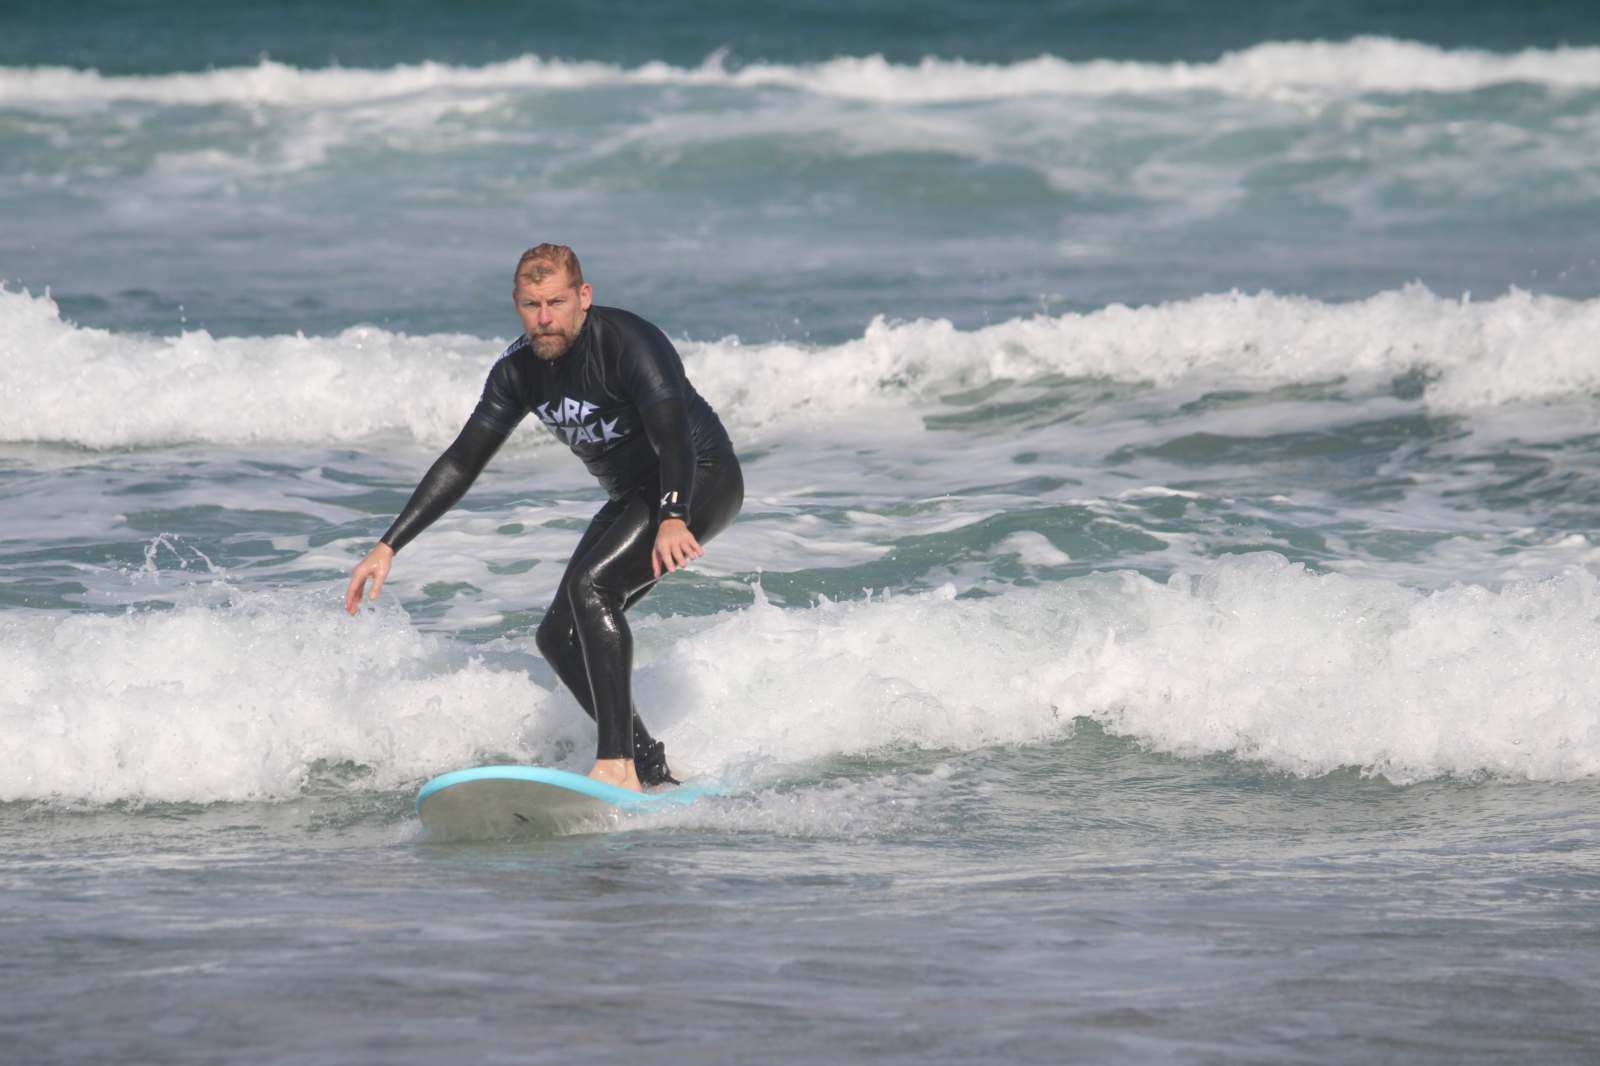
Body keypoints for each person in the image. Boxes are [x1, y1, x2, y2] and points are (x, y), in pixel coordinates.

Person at [344, 243, 742, 792]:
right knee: (557, 636)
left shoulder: (629, 343)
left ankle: (616, 763)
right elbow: (462, 461)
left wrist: (675, 513)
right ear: (517, 304)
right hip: (635, 496)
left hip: (700, 480)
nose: (546, 318)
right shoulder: (518, 372)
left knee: (592, 589)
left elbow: (673, 434)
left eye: (556, 302)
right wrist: (389, 544)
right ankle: (650, 768)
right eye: (532, 305)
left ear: (584, 297)